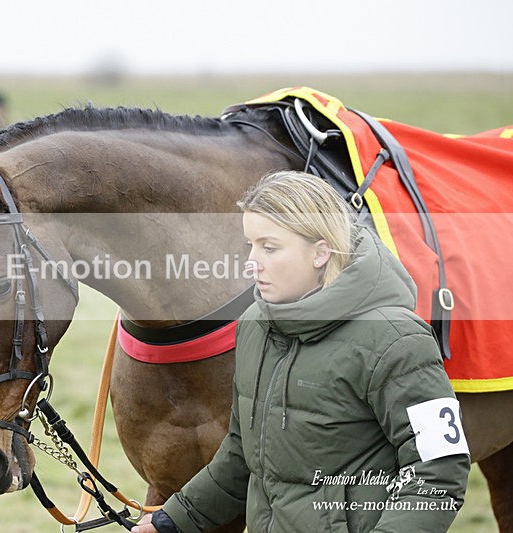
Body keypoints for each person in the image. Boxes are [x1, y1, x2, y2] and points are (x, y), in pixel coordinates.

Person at [133, 171, 470, 532]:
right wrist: (171, 521)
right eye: (250, 244)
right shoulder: (254, 325)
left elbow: (439, 468)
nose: (252, 261)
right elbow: (241, 455)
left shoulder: (397, 341)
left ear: (320, 253)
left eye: (270, 247)